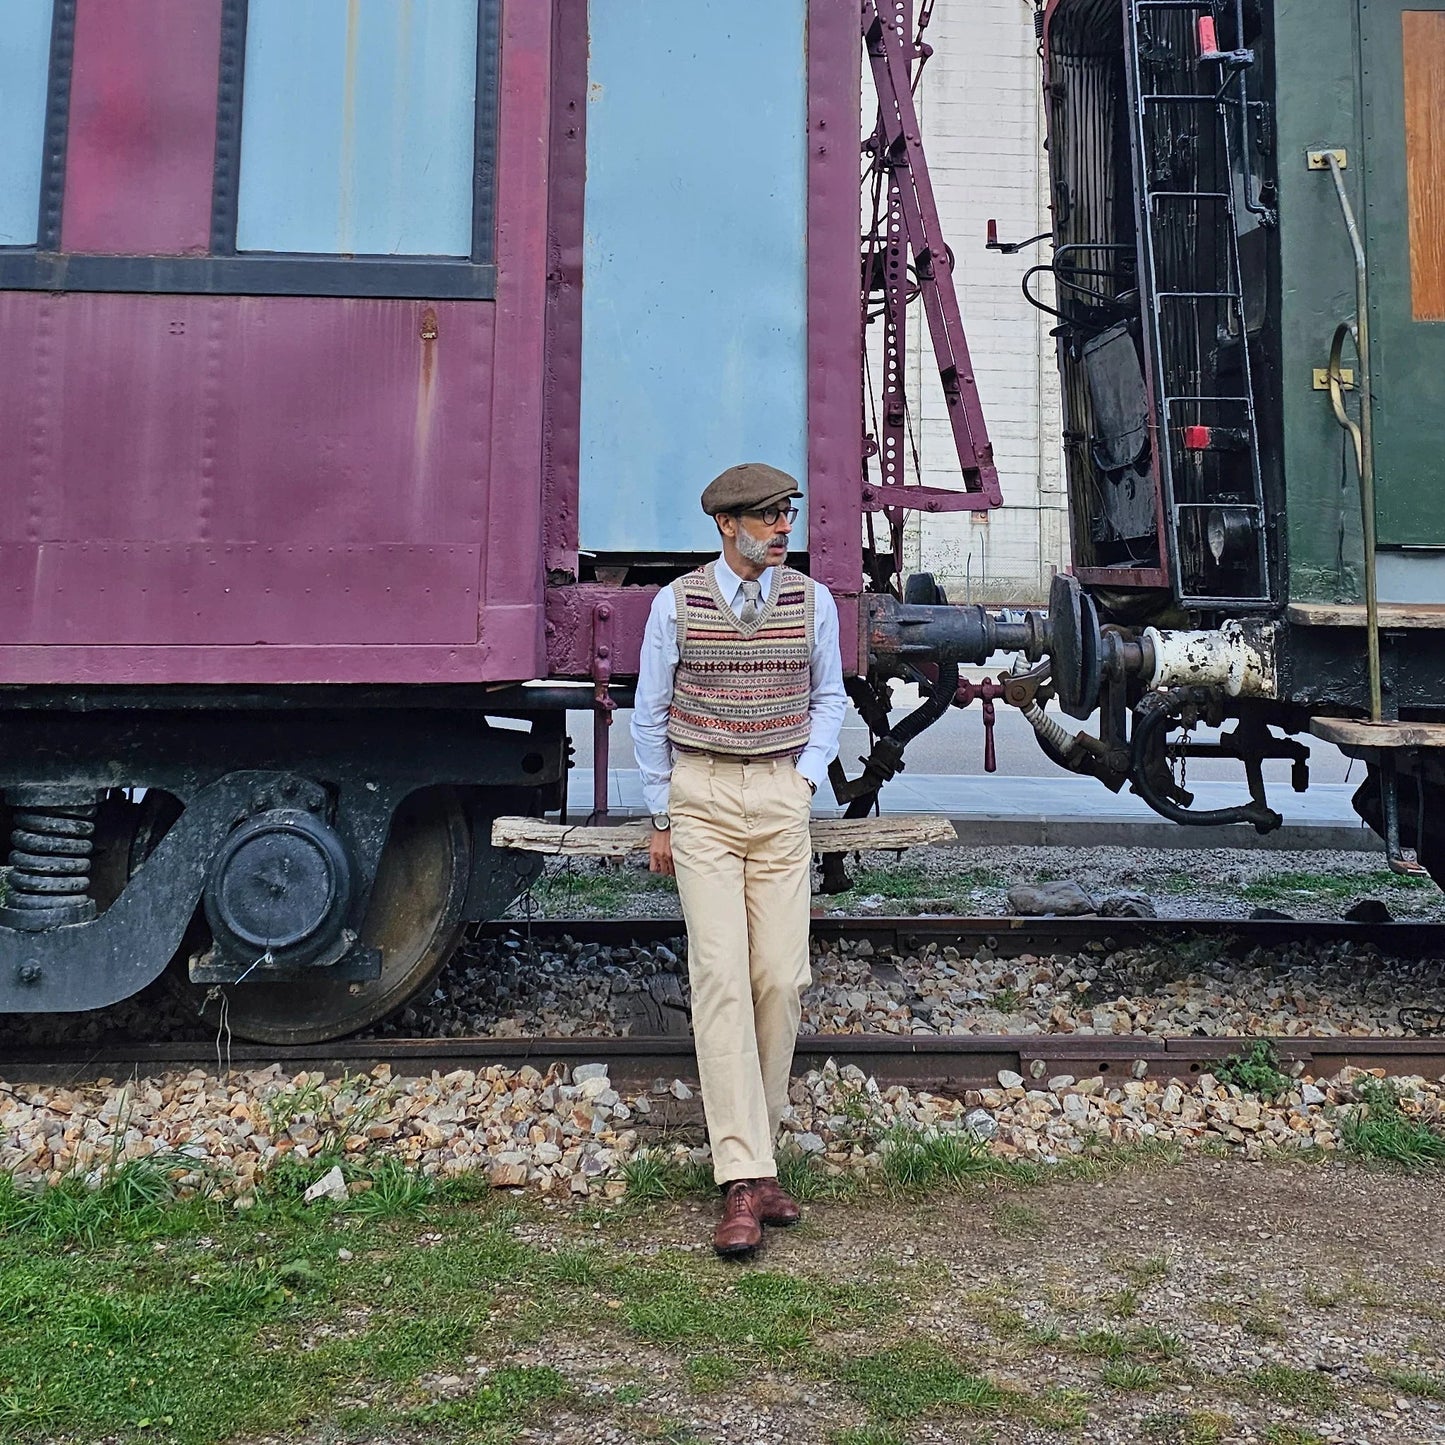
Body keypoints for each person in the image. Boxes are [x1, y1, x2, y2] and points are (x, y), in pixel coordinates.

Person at [631, 462, 847, 1257]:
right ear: (727, 525)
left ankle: (753, 1161)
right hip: (703, 798)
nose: (783, 527)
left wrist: (804, 775)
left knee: (779, 978)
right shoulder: (677, 603)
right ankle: (745, 1181)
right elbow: (648, 710)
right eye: (767, 516)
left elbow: (829, 696)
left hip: (779, 797)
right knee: (720, 976)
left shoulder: (811, 601)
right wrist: (662, 808)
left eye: (787, 513)